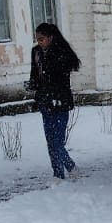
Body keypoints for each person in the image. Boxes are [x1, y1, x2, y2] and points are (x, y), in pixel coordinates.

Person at [26, 22, 80, 179]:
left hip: (60, 101)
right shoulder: (36, 53)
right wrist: (32, 85)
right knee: (50, 142)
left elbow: (59, 78)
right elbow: (35, 76)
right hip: (45, 101)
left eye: (42, 39)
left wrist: (49, 84)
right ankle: (58, 174)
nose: (39, 42)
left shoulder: (62, 53)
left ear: (51, 38)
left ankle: (71, 167)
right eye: (37, 39)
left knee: (57, 142)